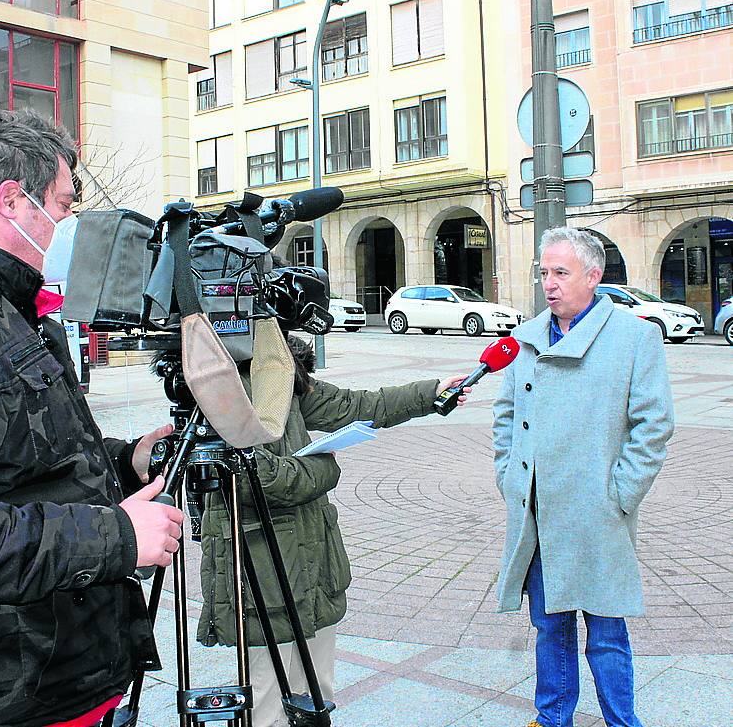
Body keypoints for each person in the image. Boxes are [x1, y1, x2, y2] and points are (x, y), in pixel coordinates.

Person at [0, 108, 184, 727]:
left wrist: (126, 459)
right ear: (10, 200)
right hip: (4, 689)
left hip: (60, 671)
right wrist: (117, 536)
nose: (70, 222)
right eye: (63, 203)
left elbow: (23, 460)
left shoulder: (6, 303)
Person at [197, 333, 471, 727]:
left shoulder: (280, 368)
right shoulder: (217, 378)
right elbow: (255, 476)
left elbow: (353, 405)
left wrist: (429, 393)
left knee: (316, 692)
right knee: (267, 699)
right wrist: (324, 467)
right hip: (261, 567)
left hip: (311, 557)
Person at [492, 227, 675, 727]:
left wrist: (622, 493)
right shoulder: (526, 339)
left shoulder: (634, 337)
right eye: (544, 273)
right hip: (539, 511)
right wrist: (511, 477)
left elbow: (653, 424)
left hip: (597, 510)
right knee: (549, 627)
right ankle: (552, 719)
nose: (548, 284)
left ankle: (622, 721)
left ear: (593, 277)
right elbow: (506, 418)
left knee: (607, 630)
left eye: (560, 273)